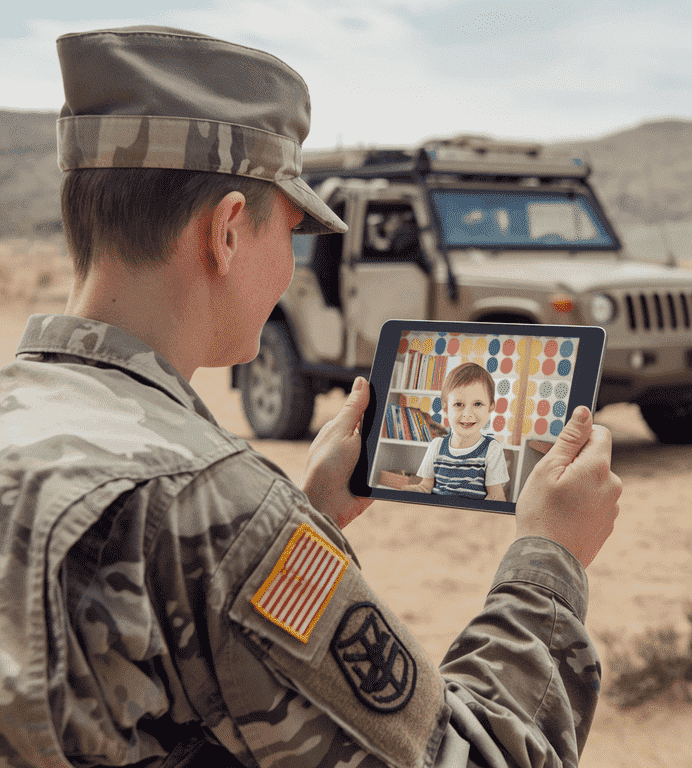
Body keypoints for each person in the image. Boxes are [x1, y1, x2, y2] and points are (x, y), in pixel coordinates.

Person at [0, 25, 622, 768]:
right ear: (227, 231)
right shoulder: (216, 509)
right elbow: (475, 757)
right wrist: (550, 555)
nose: (292, 268)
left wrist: (308, 517)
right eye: (292, 233)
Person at [402, 362, 509, 500]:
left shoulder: (492, 449)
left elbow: (496, 495)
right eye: (459, 404)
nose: (467, 413)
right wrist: (414, 490)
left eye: (477, 404)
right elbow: (426, 486)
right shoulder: (437, 446)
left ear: (490, 407)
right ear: (446, 408)